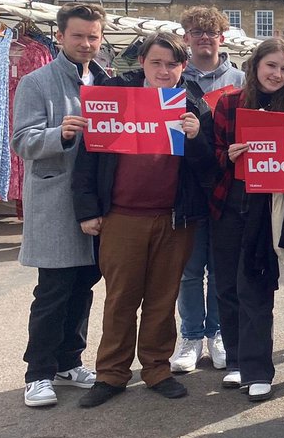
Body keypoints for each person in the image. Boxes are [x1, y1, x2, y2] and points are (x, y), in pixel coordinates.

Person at [71, 32, 213, 407]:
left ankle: (156, 369)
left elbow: (210, 170)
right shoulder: (113, 97)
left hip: (173, 219)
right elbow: (88, 156)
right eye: (156, 62)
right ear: (142, 62)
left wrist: (197, 138)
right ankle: (112, 373)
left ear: (182, 67)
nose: (163, 70)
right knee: (120, 298)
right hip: (122, 216)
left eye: (172, 64)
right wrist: (87, 210)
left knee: (163, 299)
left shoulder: (195, 104)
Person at [13, 2, 110, 407]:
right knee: (53, 288)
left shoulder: (108, 82)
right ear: (60, 36)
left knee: (84, 284)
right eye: (78, 36)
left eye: (93, 36)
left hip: (96, 202)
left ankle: (69, 361)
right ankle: (37, 372)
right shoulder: (36, 82)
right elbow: (22, 141)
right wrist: (59, 134)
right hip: (55, 203)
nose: (86, 44)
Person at [210, 37, 284, 401]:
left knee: (256, 286)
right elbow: (211, 153)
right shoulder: (228, 103)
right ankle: (236, 360)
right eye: (272, 66)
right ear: (255, 66)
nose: (278, 74)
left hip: (267, 210)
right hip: (228, 205)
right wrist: (229, 155)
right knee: (225, 286)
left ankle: (258, 369)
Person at [172, 6, 244, 375]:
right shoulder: (173, 77)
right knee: (189, 268)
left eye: (210, 32)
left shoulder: (241, 79)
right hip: (186, 184)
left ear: (222, 37)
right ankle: (191, 335)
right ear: (185, 37)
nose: (203, 37)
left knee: (220, 269)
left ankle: (215, 333)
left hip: (227, 185)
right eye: (196, 32)